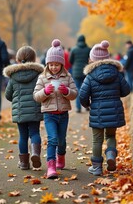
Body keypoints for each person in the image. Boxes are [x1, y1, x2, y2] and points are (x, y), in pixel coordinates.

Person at [79, 40, 130, 176]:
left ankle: (96, 168)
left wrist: (87, 105)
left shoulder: (90, 76)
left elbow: (82, 96)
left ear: (92, 59)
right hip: (114, 110)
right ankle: (111, 156)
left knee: (97, 139)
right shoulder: (116, 73)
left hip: (97, 111)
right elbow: (126, 91)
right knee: (111, 135)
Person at [33, 39, 78, 179]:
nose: (53, 67)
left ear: (61, 64)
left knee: (61, 140)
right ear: (47, 64)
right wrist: (45, 92)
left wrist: (67, 91)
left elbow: (75, 94)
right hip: (49, 115)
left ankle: (61, 157)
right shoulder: (42, 78)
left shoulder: (67, 76)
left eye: (56, 64)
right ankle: (51, 167)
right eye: (51, 64)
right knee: (52, 139)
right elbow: (36, 96)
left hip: (63, 114)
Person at [3, 46, 44, 170]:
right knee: (35, 133)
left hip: (20, 112)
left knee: (23, 136)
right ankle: (35, 153)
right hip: (35, 110)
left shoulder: (13, 76)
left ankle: (24, 163)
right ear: (33, 59)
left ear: (18, 59)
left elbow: (8, 95)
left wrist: (17, 100)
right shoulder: (38, 74)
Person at [69, 35, 91, 113]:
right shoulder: (88, 49)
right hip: (86, 71)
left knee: (77, 89)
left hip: (76, 73)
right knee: (86, 89)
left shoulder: (74, 49)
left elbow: (70, 60)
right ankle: (86, 106)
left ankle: (78, 108)